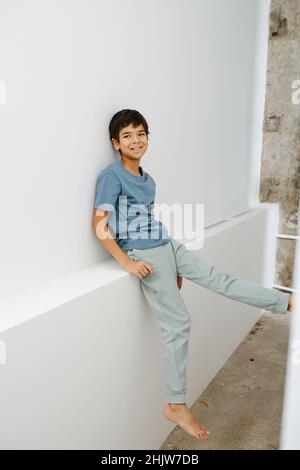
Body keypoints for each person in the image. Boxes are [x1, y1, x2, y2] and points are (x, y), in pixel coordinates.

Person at [92, 109, 293, 441]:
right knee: (179, 323)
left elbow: (145, 219)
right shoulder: (111, 176)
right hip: (145, 254)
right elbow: (99, 225)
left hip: (168, 245)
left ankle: (284, 301)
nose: (136, 140)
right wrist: (127, 263)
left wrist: (173, 266)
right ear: (115, 143)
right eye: (127, 135)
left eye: (141, 133)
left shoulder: (148, 178)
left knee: (219, 279)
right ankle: (175, 405)